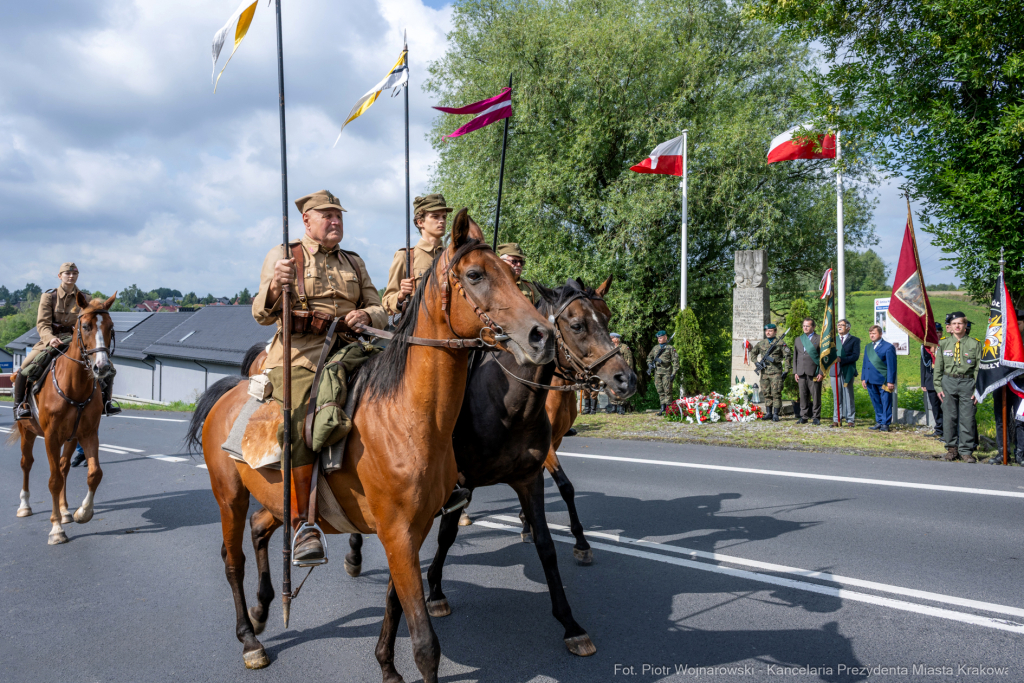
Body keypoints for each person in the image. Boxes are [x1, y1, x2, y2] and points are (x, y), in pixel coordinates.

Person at [252, 189, 387, 561]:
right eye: (327, 215)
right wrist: (275, 286)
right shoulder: (285, 256)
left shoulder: (354, 262)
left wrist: (368, 316)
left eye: (338, 215)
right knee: (296, 427)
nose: (335, 221)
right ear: (306, 221)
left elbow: (378, 306)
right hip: (302, 354)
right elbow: (260, 315)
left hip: (353, 347)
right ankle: (303, 524)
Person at [13, 262, 120, 420]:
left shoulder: (86, 298)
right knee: (26, 366)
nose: (71, 276)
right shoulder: (49, 297)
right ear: (60, 276)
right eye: (67, 274)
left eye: (74, 274)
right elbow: (42, 324)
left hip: (76, 340)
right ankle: (20, 406)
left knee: (108, 367)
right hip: (51, 340)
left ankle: (106, 402)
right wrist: (50, 339)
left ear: (77, 276)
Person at [381, 194, 452, 316]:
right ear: (420, 222)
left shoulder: (451, 257)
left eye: (444, 217)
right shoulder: (405, 257)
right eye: (435, 216)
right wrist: (401, 295)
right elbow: (386, 304)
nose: (442, 221)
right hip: (417, 330)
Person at [934, 311, 983, 462]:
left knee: (967, 417)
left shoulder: (974, 344)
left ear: (965, 325)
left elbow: (979, 369)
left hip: (967, 383)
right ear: (950, 326)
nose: (957, 326)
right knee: (949, 417)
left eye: (960, 323)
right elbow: (938, 367)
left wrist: (978, 390)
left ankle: (966, 450)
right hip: (948, 382)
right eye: (954, 324)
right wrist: (938, 387)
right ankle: (951, 449)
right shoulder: (943, 343)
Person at [988, 309, 1024, 465]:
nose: (1014, 326)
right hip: (1002, 384)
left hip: (1021, 385)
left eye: (1018, 323)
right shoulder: (999, 339)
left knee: (1020, 420)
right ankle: (1003, 453)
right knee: (1000, 419)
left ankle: (1021, 454)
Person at [750, 323, 790, 422]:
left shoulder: (781, 343)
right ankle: (768, 413)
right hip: (764, 373)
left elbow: (788, 356)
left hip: (776, 373)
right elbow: (753, 353)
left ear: (775, 332)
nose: (768, 332)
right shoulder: (761, 343)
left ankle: (776, 414)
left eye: (770, 331)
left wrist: (786, 370)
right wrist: (756, 363)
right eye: (766, 331)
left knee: (776, 393)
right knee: (766, 393)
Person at [861, 325, 897, 432]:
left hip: (883, 380)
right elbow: (865, 363)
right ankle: (879, 420)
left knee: (885, 401)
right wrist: (863, 378)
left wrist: (891, 381)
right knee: (876, 401)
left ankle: (885, 423)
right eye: (870, 333)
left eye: (874, 333)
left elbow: (891, 366)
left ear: (880, 334)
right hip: (870, 379)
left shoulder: (888, 347)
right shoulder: (868, 347)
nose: (871, 335)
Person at [793, 318, 823, 424]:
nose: (805, 328)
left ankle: (816, 417)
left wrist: (821, 372)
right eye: (804, 326)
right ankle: (804, 416)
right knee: (803, 395)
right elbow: (795, 356)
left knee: (815, 395)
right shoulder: (798, 339)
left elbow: (823, 358)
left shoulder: (819, 338)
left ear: (813, 327)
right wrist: (795, 371)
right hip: (801, 371)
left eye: (808, 326)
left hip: (814, 371)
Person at [832, 319, 860, 427]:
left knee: (848, 395)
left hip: (847, 370)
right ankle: (836, 418)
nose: (839, 327)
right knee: (836, 395)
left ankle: (850, 419)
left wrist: (841, 359)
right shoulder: (832, 340)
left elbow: (855, 356)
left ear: (848, 327)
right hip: (834, 371)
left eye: (842, 325)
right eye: (838, 325)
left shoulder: (854, 340)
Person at [646, 330, 679, 413]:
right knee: (660, 391)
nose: (659, 339)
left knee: (667, 391)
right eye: (658, 338)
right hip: (657, 373)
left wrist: (673, 373)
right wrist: (650, 364)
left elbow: (675, 361)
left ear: (665, 337)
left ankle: (669, 409)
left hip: (667, 372)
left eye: (661, 338)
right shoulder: (655, 348)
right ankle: (662, 408)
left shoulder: (670, 348)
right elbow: (649, 357)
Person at [920, 322, 944, 439]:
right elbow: (923, 365)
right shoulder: (925, 347)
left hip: (943, 381)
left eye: (939, 332)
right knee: (935, 406)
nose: (937, 334)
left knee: (944, 406)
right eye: (935, 332)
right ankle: (939, 428)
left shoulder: (945, 344)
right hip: (930, 380)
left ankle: (947, 430)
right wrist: (923, 382)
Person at [606, 333, 634, 414]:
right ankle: (613, 407)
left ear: (617, 339)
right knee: (612, 388)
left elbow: (629, 359)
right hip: (612, 371)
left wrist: (629, 371)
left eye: (612, 338)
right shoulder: (609, 347)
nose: (611, 339)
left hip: (622, 371)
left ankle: (621, 408)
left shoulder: (624, 347)